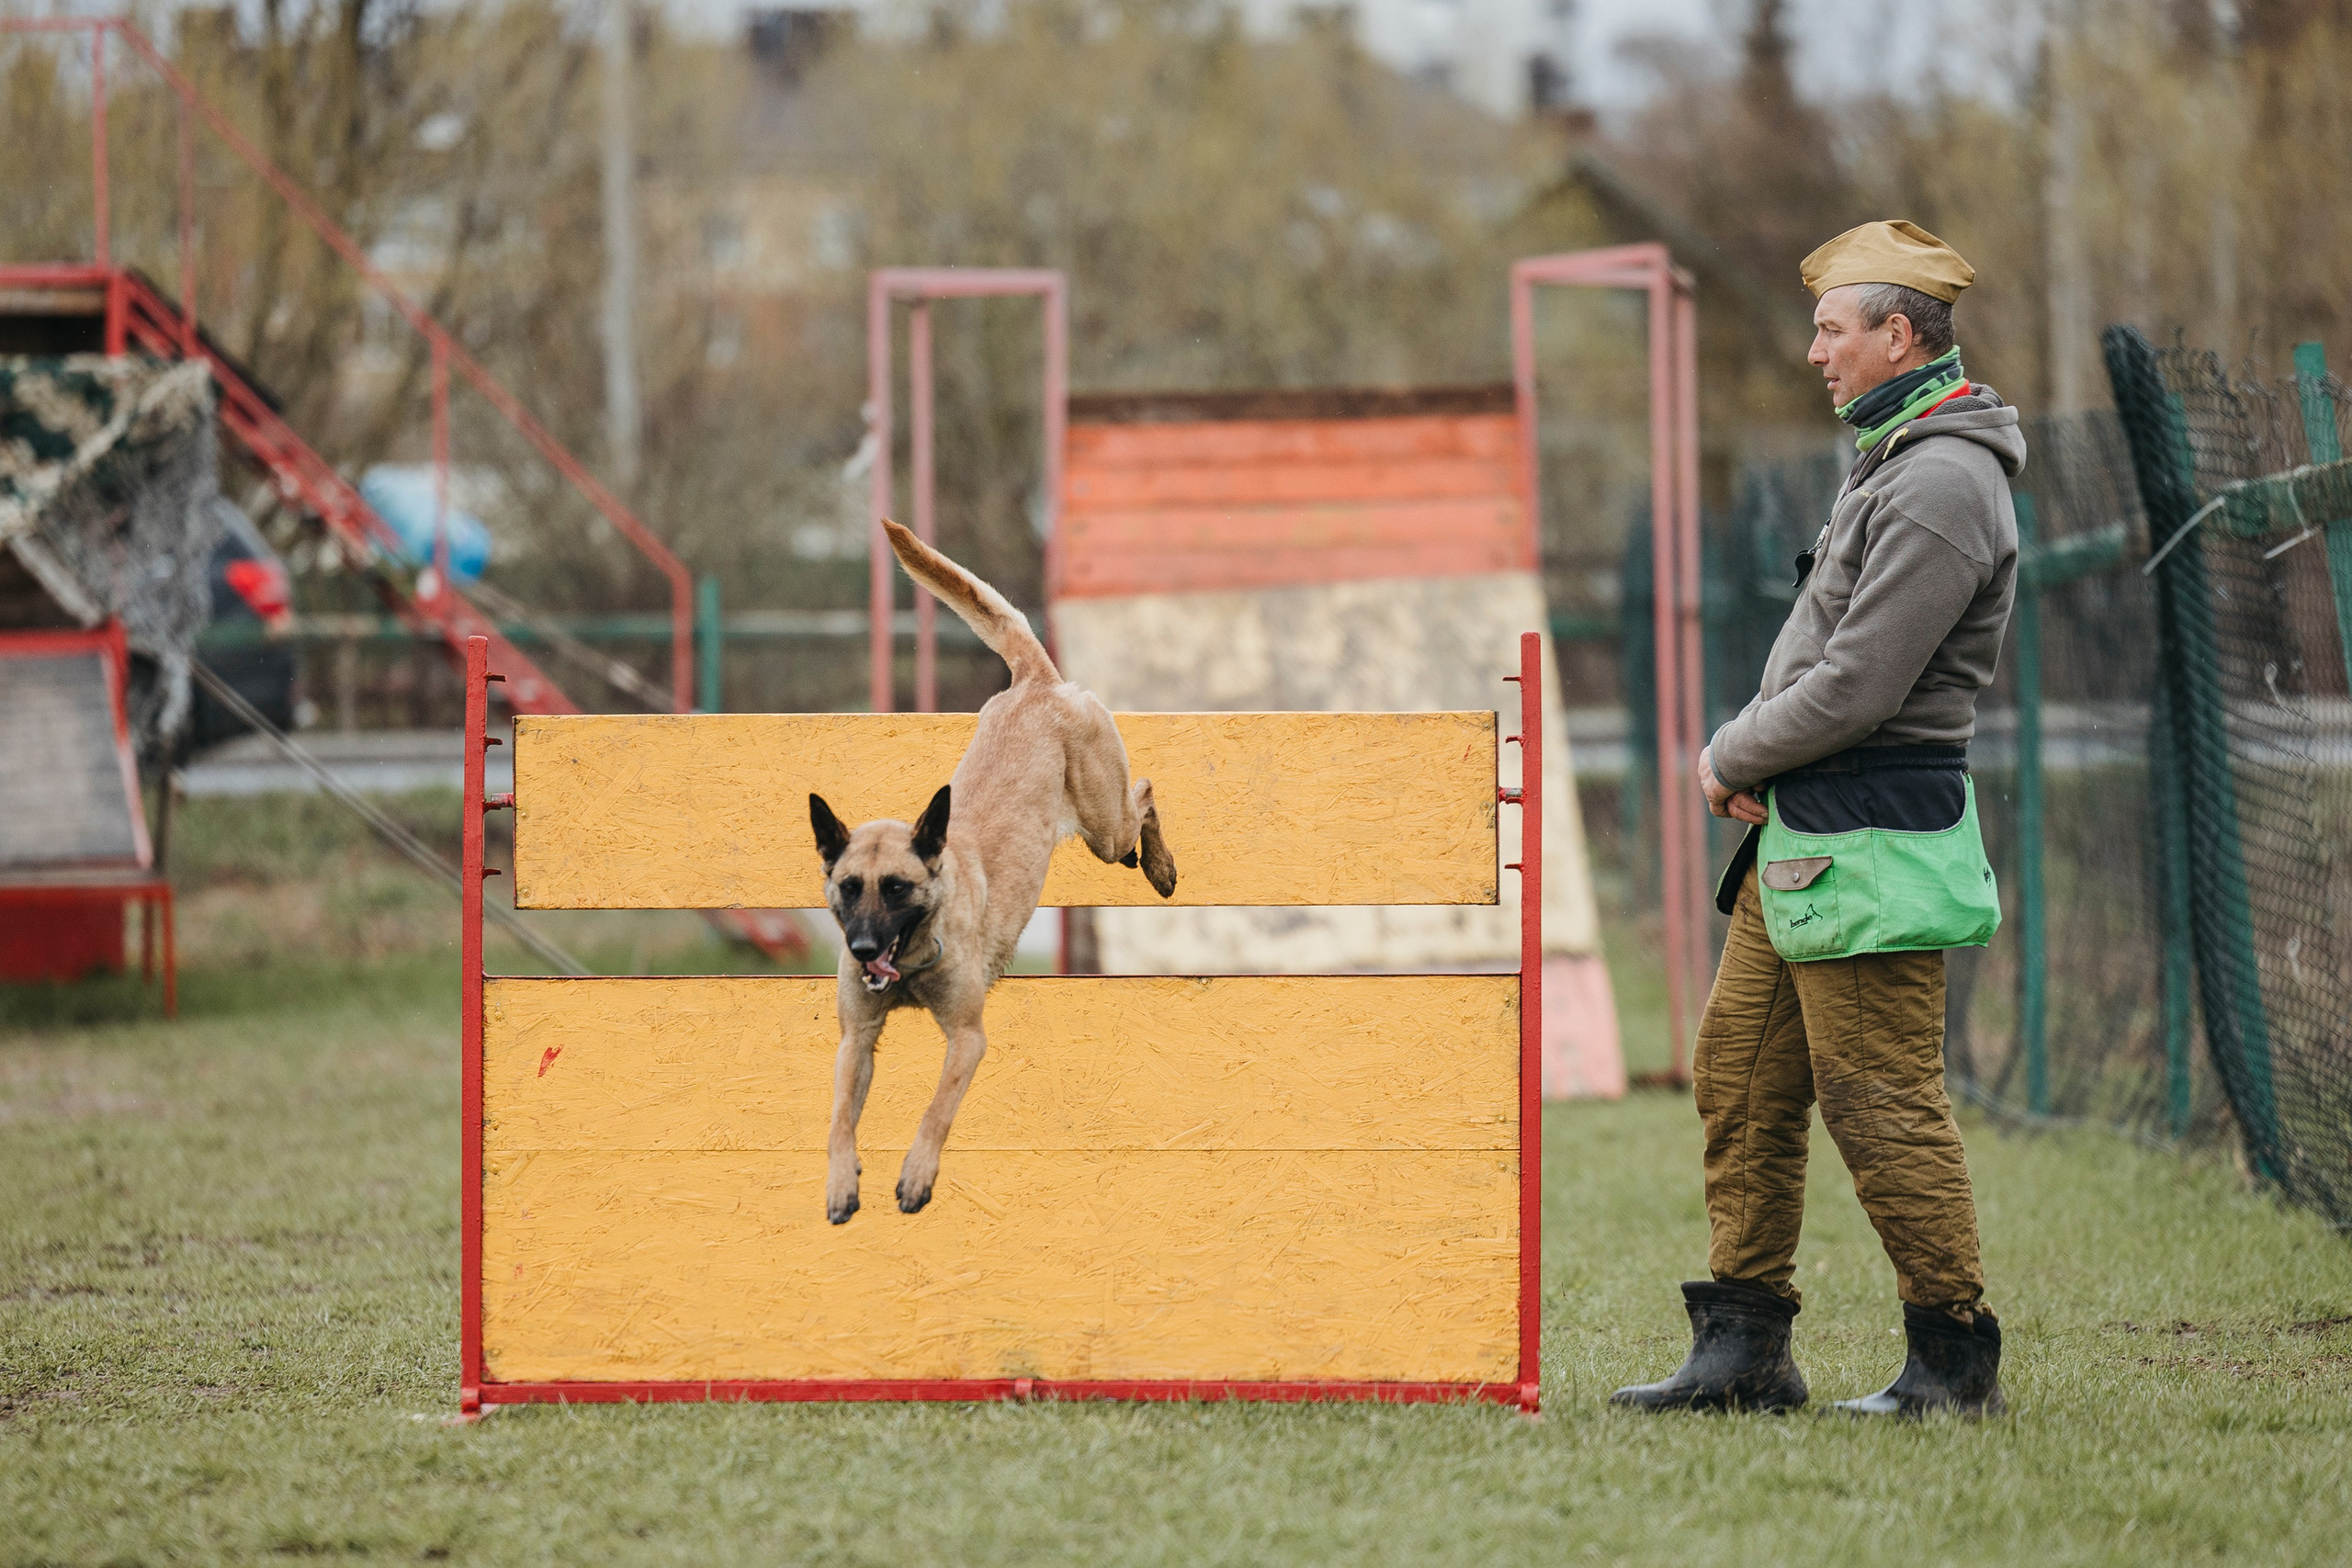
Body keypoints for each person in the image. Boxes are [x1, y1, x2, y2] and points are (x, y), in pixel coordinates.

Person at [1612, 220, 2023, 1418]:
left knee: (1882, 1101)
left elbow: (1860, 684)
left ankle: (1953, 1362)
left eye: (1832, 330)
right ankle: (1744, 1352)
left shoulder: (1945, 482)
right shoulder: (1893, 459)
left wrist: (1731, 751)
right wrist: (1763, 764)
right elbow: (1824, 654)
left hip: (1872, 839)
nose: (1813, 353)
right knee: (1739, 1074)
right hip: (1806, 831)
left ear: (1900, 335)